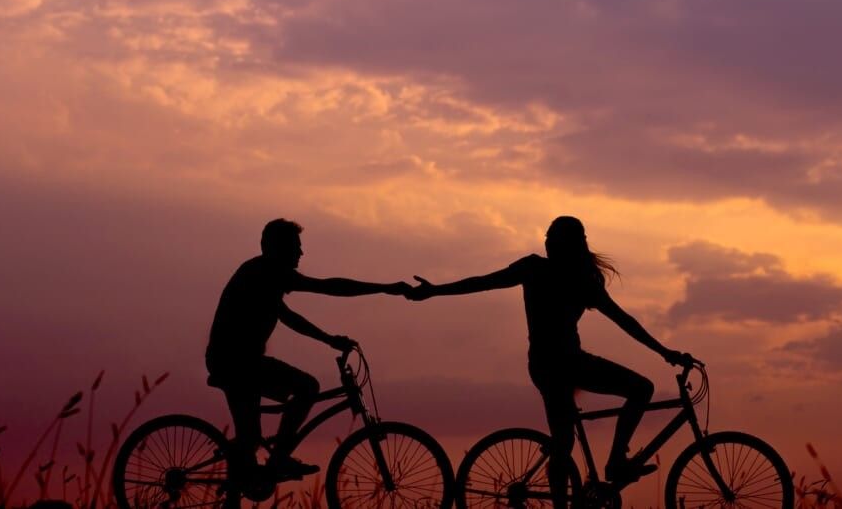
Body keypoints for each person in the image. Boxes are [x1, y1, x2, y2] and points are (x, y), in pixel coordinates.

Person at [407, 216, 695, 508]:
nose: (546, 242)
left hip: (553, 364)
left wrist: (664, 351)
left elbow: (624, 321)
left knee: (567, 439)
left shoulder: (568, 277)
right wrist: (435, 291)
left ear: (568, 244)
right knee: (633, 394)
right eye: (547, 237)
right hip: (561, 364)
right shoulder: (551, 273)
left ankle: (595, 477)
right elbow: (482, 283)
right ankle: (616, 462)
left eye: (552, 238)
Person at [206, 219, 410, 492]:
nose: (300, 254)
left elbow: (288, 317)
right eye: (295, 247)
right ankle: (277, 459)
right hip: (236, 363)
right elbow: (330, 287)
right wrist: (384, 287)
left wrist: (328, 339)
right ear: (278, 248)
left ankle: (245, 473)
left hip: (240, 362)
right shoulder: (266, 271)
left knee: (250, 439)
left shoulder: (262, 275)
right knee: (307, 387)